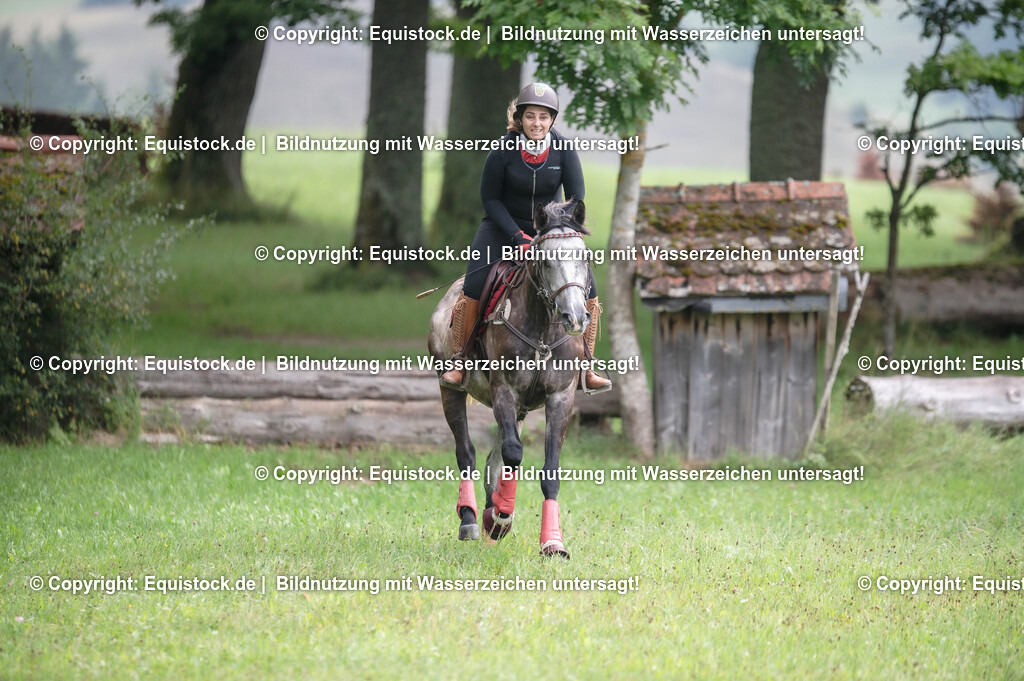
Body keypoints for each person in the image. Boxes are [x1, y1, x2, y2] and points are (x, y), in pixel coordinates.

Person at [440, 83, 611, 393]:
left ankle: (586, 366)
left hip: (549, 230)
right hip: (501, 228)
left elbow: (575, 198)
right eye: (531, 116)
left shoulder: (564, 150)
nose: (537, 123)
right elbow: (490, 199)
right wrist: (517, 236)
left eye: (543, 117)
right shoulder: (502, 150)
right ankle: (460, 360)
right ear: (520, 118)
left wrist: (552, 233)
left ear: (552, 120)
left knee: (588, 287)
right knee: (474, 283)